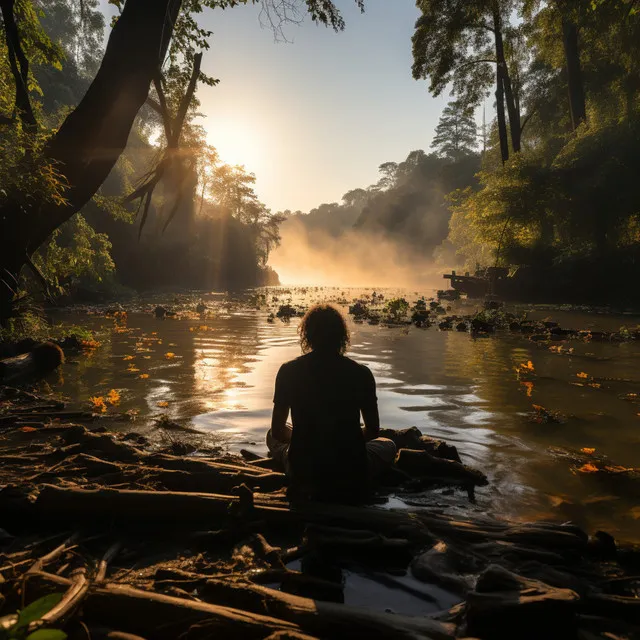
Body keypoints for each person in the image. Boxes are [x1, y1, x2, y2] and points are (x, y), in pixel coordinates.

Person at [267, 303, 397, 501]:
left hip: (304, 469)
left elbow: (277, 431)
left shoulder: (288, 371)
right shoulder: (361, 373)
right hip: (350, 468)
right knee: (387, 444)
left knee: (271, 435)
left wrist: (308, 439)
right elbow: (372, 430)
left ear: (307, 336)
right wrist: (341, 440)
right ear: (342, 337)